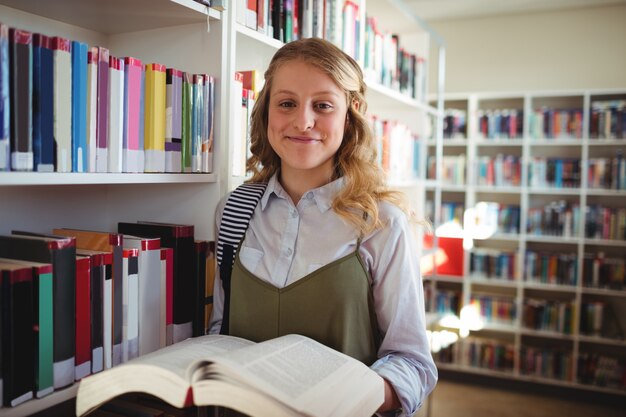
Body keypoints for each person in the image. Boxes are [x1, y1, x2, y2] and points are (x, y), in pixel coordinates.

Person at [209, 37, 437, 416]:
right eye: (286, 103)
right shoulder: (232, 211)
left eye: (323, 105)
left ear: (351, 114)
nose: (303, 121)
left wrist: (349, 390)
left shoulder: (381, 224)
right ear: (267, 112)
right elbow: (221, 329)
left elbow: (413, 364)